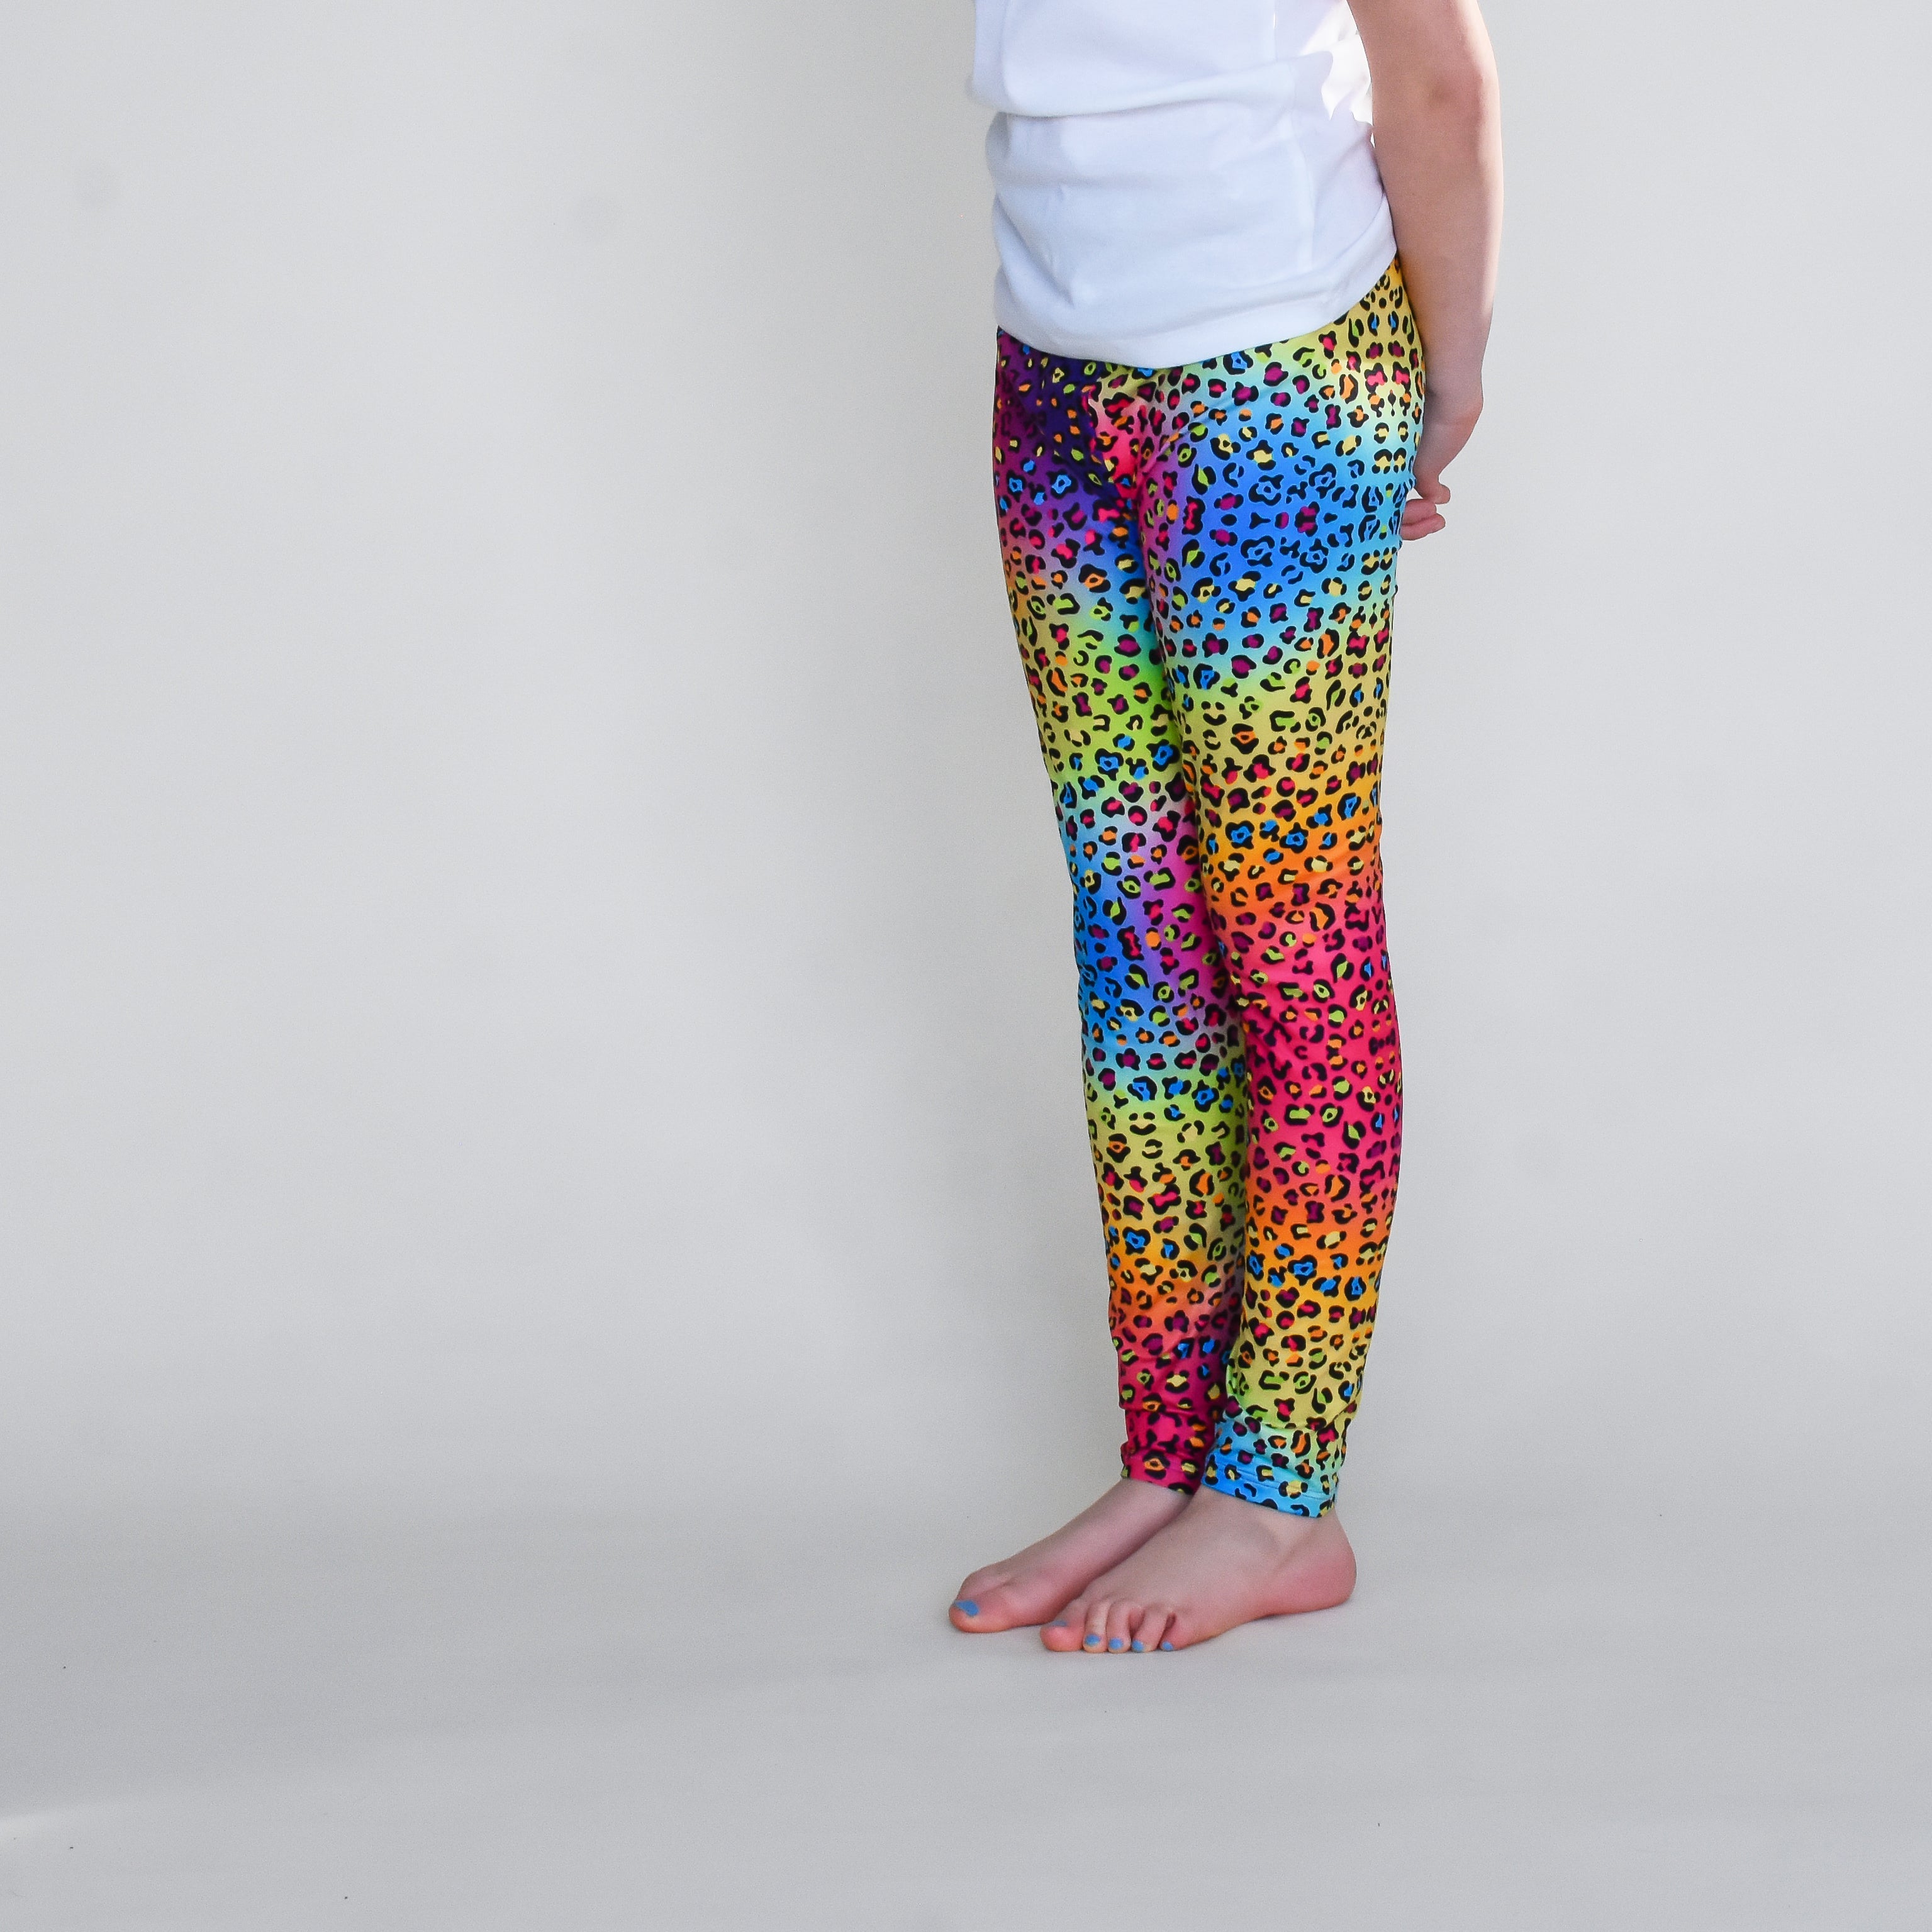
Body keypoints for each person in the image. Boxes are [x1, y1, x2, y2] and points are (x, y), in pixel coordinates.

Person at [951, 0, 1502, 1653]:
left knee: (1290, 949)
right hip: (1053, 368)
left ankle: (1280, 1498)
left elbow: (1435, 74)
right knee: (1140, 953)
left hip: (1274, 374)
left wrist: (1448, 369)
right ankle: (1172, 1456)